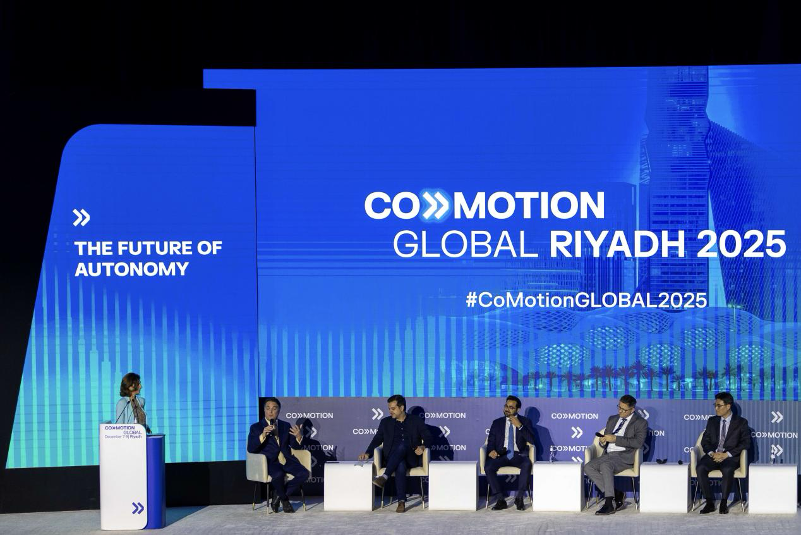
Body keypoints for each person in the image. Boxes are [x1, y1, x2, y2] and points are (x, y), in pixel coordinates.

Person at [358, 394, 432, 513]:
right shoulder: (385, 422)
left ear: (401, 408)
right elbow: (377, 439)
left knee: (403, 445)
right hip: (391, 458)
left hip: (411, 458)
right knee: (400, 464)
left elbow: (428, 438)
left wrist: (423, 447)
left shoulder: (416, 421)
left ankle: (384, 477)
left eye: (393, 408)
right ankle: (401, 502)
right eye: (389, 408)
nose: (390, 411)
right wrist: (368, 453)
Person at [583, 394, 647, 515]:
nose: (620, 411)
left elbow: (638, 443)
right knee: (588, 467)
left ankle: (609, 503)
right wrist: (603, 441)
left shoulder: (640, 423)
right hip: (608, 454)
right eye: (619, 407)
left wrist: (616, 439)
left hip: (624, 456)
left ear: (632, 409)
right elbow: (605, 440)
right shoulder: (612, 419)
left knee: (606, 465)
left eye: (624, 410)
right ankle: (617, 493)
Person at [247, 397, 309, 513]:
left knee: (304, 473)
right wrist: (263, 435)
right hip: (270, 461)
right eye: (268, 408)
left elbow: (295, 446)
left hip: (287, 459)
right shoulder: (256, 427)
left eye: (274, 408)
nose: (271, 411)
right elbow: (251, 448)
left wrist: (298, 437)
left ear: (279, 411)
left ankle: (278, 494)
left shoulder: (285, 425)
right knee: (278, 474)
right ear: (264, 410)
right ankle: (285, 500)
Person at [697, 391, 751, 515]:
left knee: (727, 470)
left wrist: (726, 454)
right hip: (713, 455)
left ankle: (723, 502)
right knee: (700, 468)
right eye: (715, 405)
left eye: (719, 405)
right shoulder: (712, 421)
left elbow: (745, 443)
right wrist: (712, 453)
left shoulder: (741, 422)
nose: (716, 408)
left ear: (728, 406)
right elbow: (705, 441)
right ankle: (709, 502)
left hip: (730, 457)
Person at [485, 395, 536, 511]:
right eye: (506, 406)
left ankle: (519, 498)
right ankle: (500, 499)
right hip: (501, 454)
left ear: (518, 409)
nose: (507, 409)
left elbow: (532, 440)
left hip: (518, 455)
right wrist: (491, 451)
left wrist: (520, 426)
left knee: (527, 463)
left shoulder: (525, 421)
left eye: (511, 407)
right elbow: (490, 441)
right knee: (488, 466)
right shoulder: (497, 423)